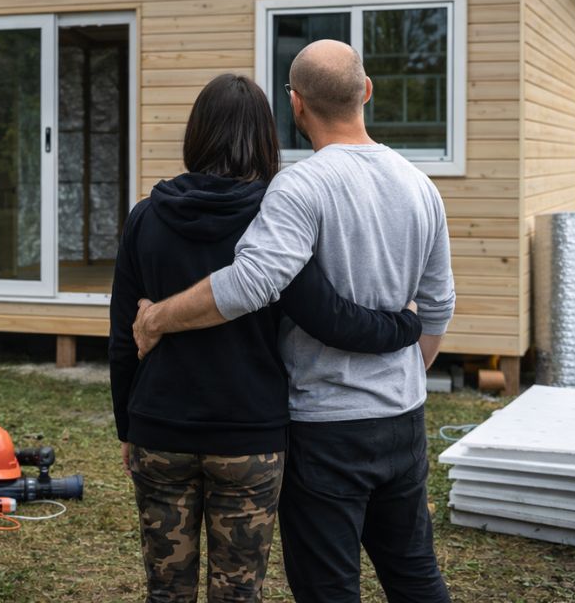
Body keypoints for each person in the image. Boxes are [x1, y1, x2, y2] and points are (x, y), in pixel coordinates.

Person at [132, 41, 456, 603]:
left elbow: (250, 283)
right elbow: (439, 305)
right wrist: (404, 370)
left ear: (296, 103)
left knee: (329, 588)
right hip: (404, 418)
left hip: (325, 427)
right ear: (367, 91)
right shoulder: (420, 186)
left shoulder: (300, 186)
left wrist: (157, 316)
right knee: (414, 574)